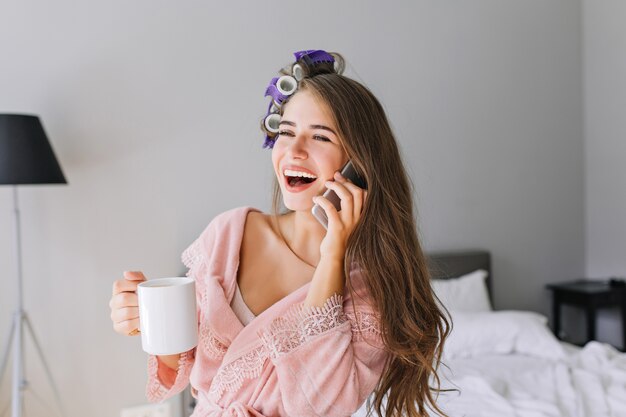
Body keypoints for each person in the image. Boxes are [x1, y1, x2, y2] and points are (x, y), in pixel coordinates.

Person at [109, 50, 450, 417]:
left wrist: (333, 254)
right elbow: (179, 371)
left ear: (359, 165)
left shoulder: (371, 290)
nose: (294, 151)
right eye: (286, 132)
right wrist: (146, 321)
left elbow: (319, 406)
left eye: (320, 138)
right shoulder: (228, 235)